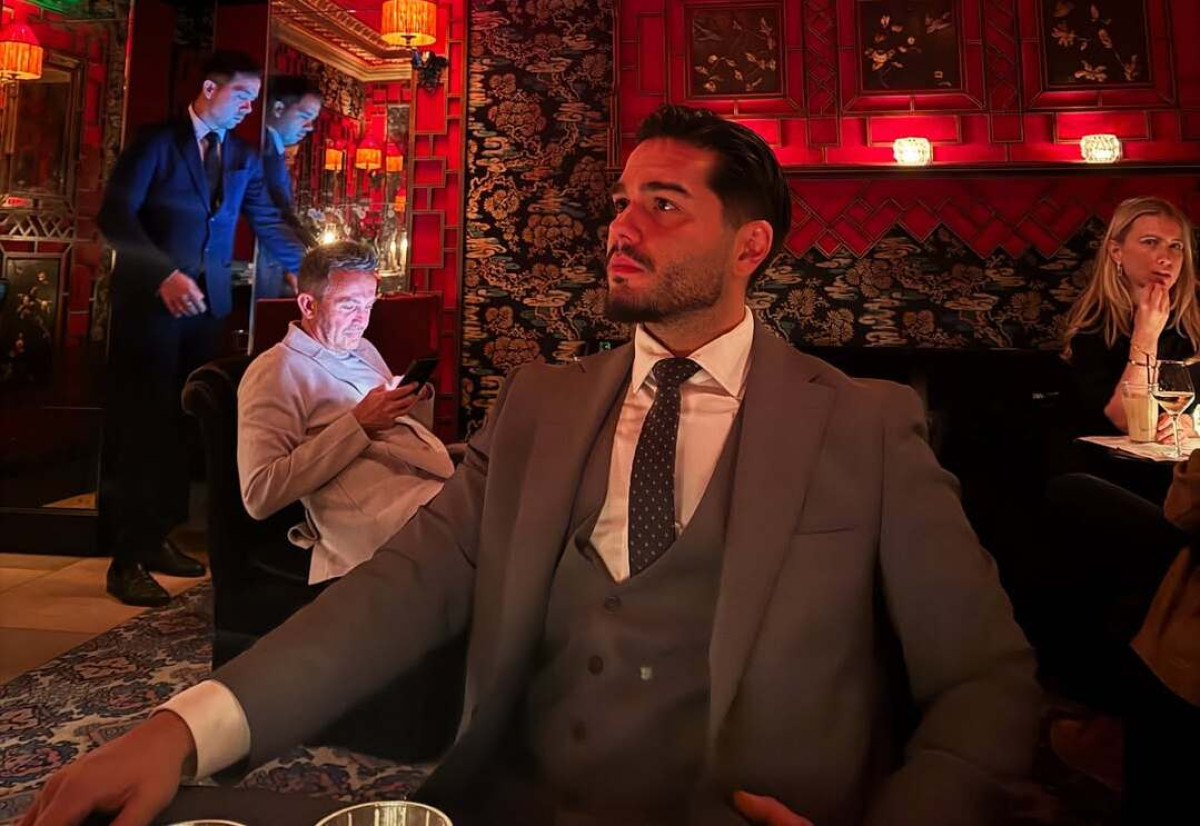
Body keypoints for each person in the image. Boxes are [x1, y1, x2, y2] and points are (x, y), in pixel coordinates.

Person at [23, 105, 1038, 826]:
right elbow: (395, 593)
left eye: (664, 205)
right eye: (621, 202)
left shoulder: (865, 425)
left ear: (750, 246)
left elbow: (985, 682)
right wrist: (182, 729)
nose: (621, 227)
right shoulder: (540, 406)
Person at [98, 50, 305, 607]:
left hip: (205, 307)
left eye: (254, 99)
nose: (248, 108)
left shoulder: (240, 155)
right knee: (143, 427)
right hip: (149, 308)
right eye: (241, 95)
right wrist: (161, 274)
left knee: (183, 426)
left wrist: (311, 272)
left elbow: (267, 219)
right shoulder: (156, 143)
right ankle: (125, 560)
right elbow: (115, 216)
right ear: (210, 88)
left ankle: (157, 537)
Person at [238, 241, 453, 584]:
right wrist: (358, 424)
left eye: (369, 305)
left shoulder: (362, 349)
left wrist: (409, 400)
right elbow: (260, 495)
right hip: (372, 513)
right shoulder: (276, 370)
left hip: (421, 483)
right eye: (349, 305)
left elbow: (397, 433)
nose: (362, 321)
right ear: (308, 304)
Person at [1061, 196, 1200, 442]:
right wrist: (1146, 336)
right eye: (1150, 242)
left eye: (1175, 246)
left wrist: (1193, 425)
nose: (1166, 258)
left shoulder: (1195, 314)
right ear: (1117, 251)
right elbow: (1125, 421)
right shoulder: (1093, 325)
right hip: (1113, 458)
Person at [256, 74, 322, 299]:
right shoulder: (259, 150)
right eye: (305, 116)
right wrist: (312, 267)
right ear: (278, 109)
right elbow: (273, 216)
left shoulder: (273, 150)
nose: (310, 127)